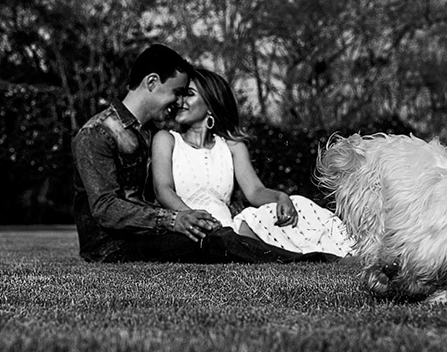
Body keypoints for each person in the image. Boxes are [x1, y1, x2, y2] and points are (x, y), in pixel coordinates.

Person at [72, 43, 332, 264]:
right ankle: (297, 260)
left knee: (207, 235)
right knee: (207, 239)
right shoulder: (96, 133)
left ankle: (303, 251)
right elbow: (105, 208)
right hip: (111, 246)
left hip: (145, 233)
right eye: (176, 92)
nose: (178, 103)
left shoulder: (148, 132)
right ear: (151, 82)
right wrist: (173, 219)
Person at [151, 67, 354, 258]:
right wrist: (191, 217)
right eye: (180, 94)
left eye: (189, 94)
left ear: (210, 104)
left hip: (228, 229)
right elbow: (163, 189)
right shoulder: (166, 140)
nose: (179, 101)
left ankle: (349, 250)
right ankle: (310, 256)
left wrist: (281, 198)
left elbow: (255, 191)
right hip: (187, 228)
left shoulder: (231, 147)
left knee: (298, 205)